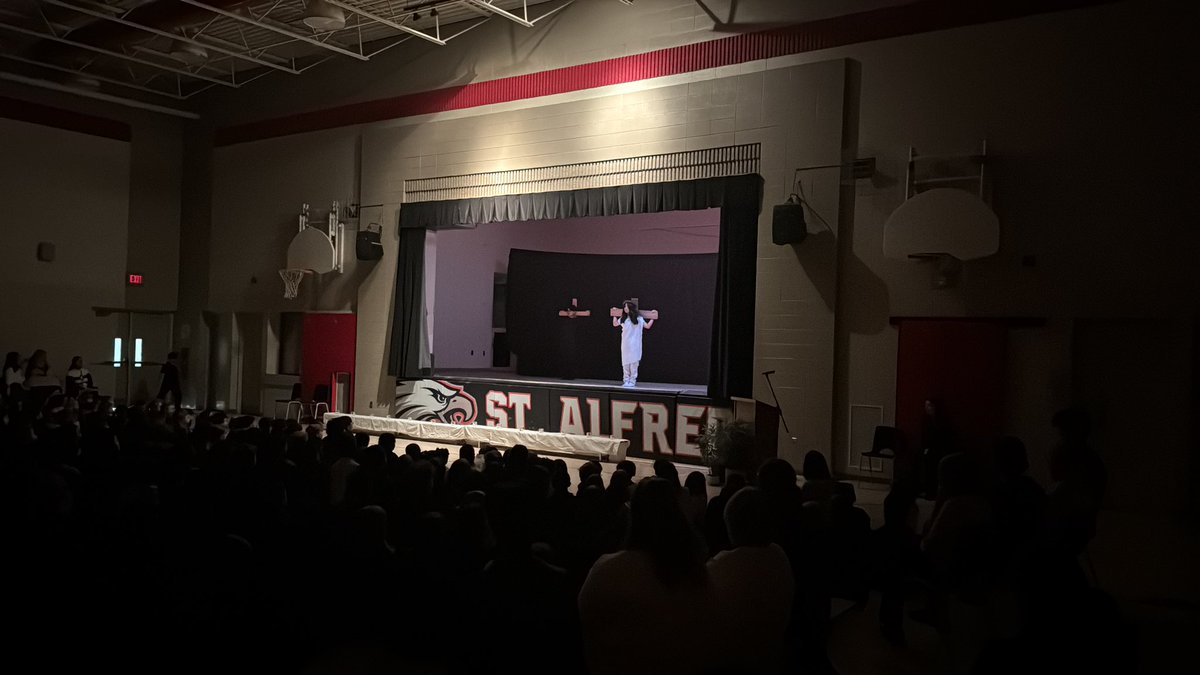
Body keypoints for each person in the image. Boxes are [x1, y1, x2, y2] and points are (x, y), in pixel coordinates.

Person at [612, 300, 653, 387]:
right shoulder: (623, 319)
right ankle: (626, 380)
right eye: (624, 306)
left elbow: (648, 326)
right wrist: (615, 315)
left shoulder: (639, 319)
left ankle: (632, 381)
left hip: (635, 344)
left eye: (626, 306)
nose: (625, 308)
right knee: (626, 363)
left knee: (633, 363)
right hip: (626, 344)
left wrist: (652, 318)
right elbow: (615, 324)